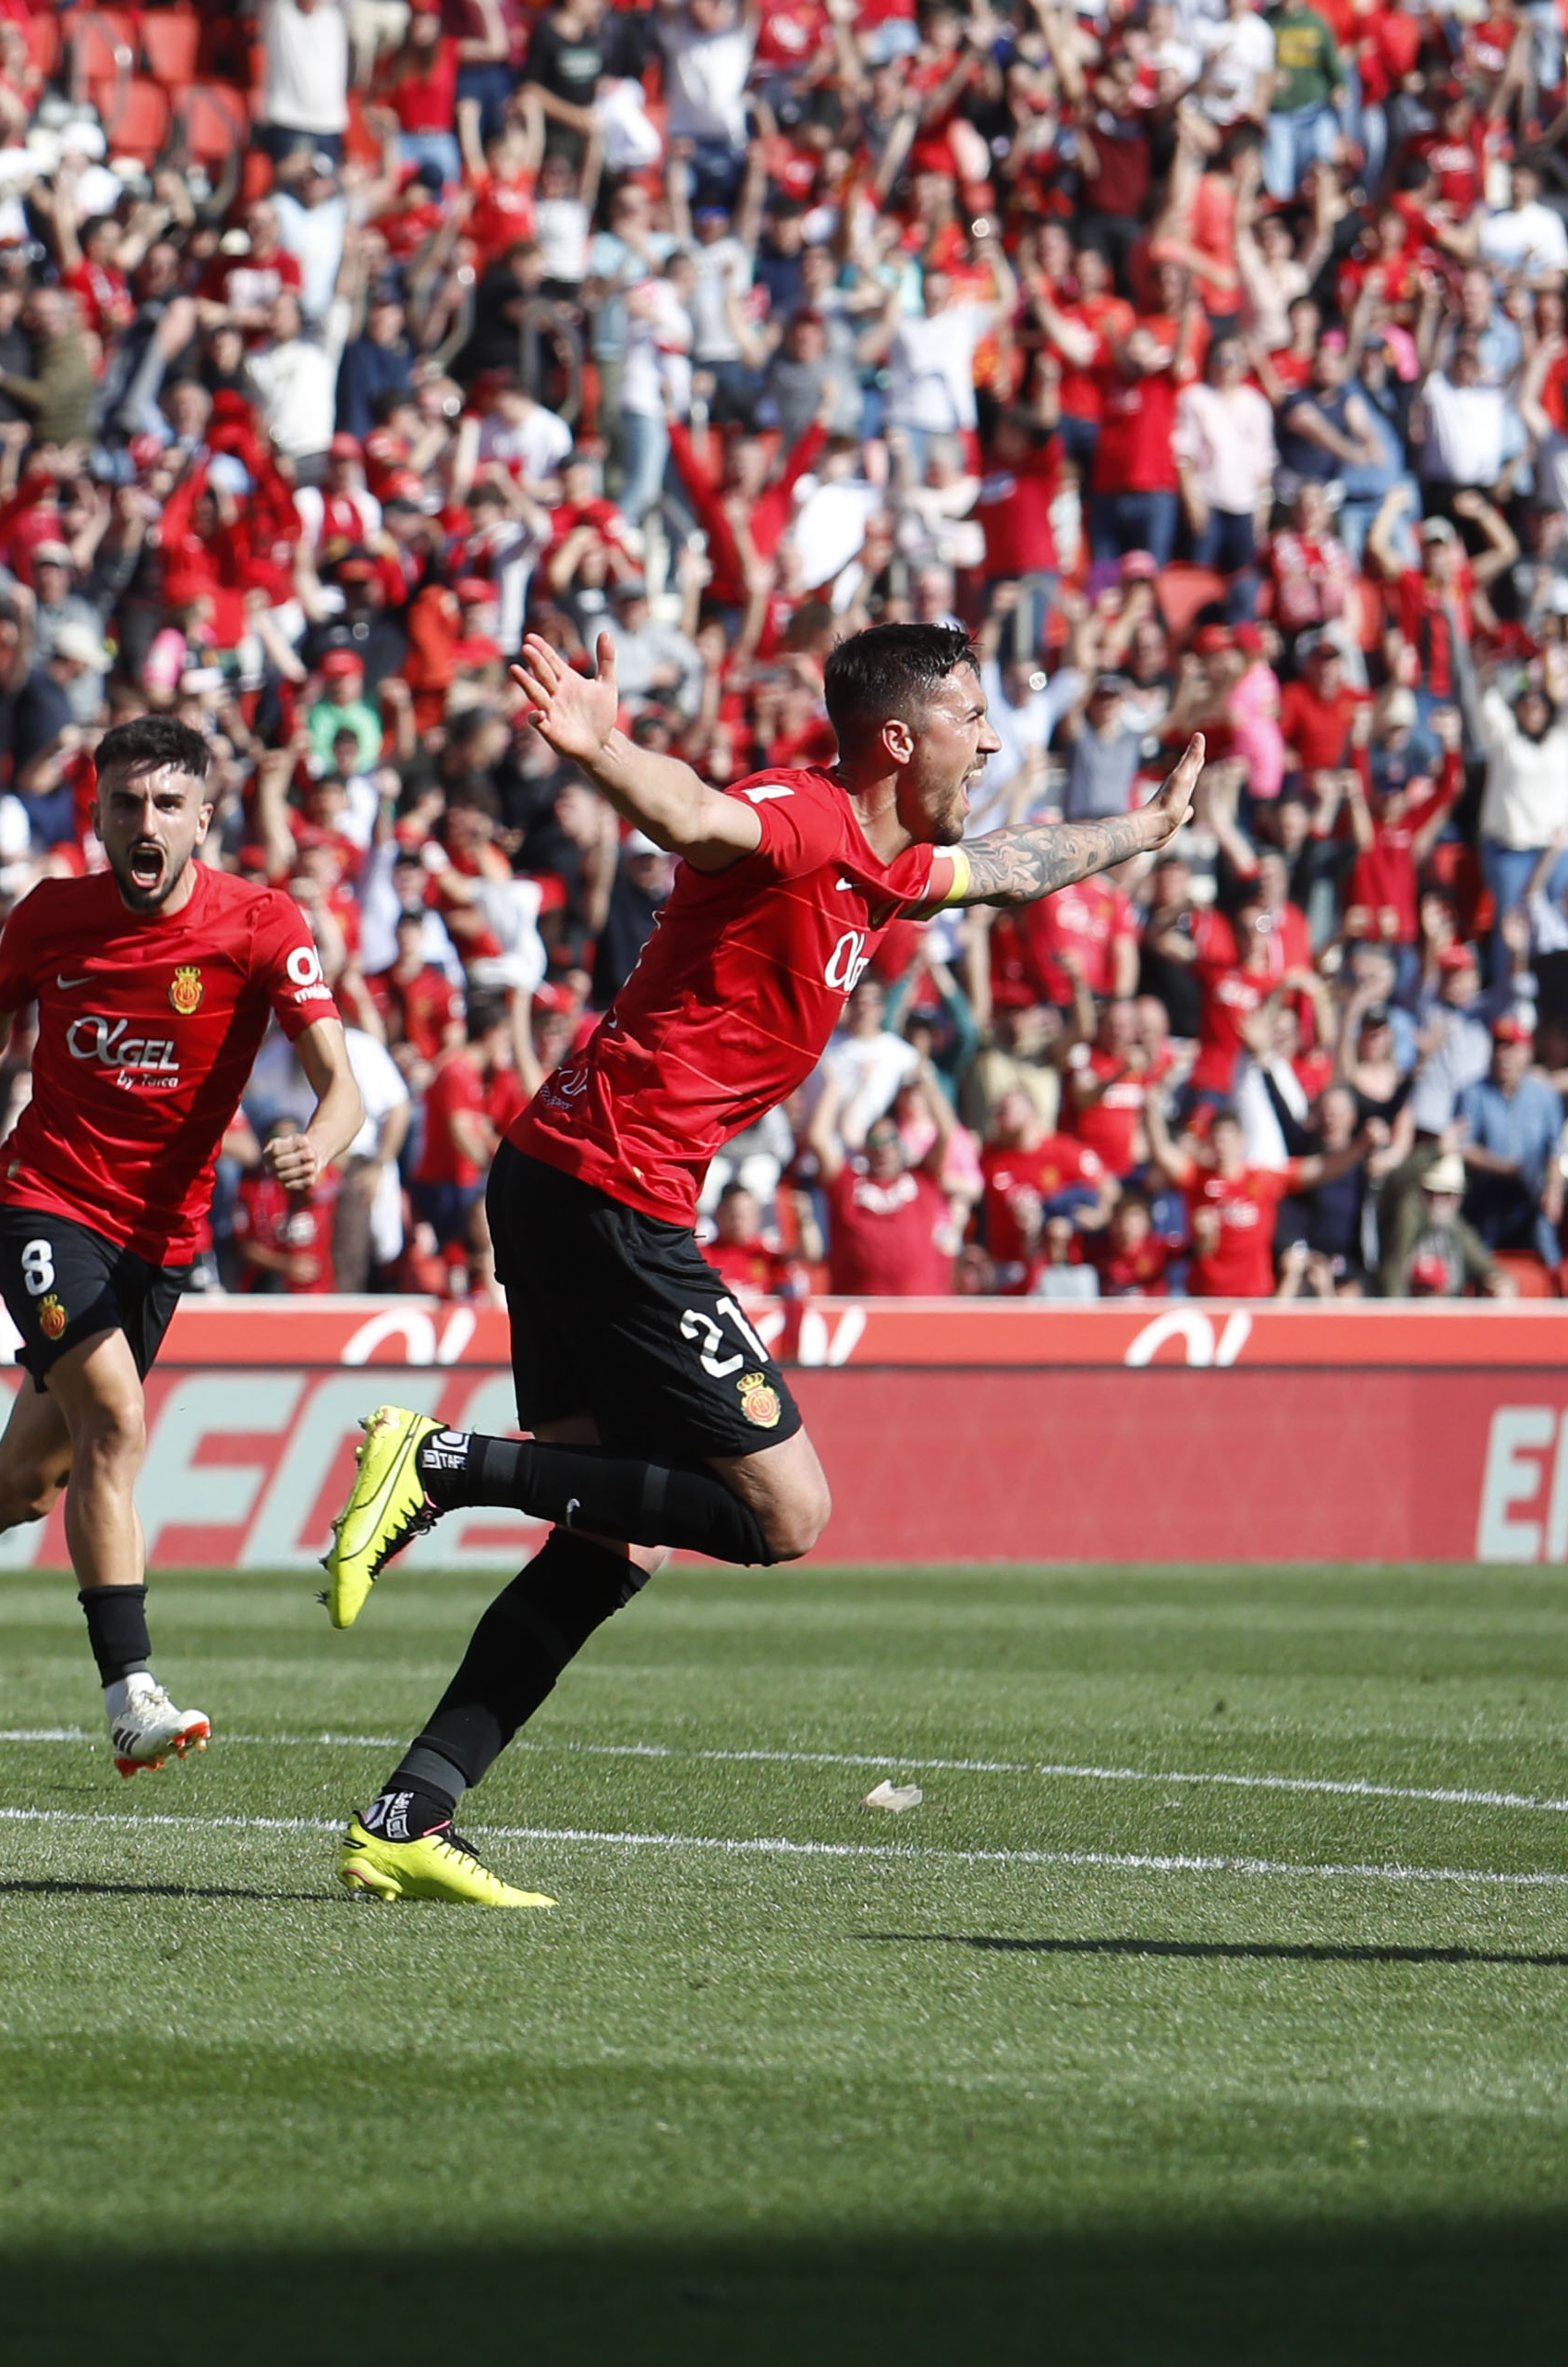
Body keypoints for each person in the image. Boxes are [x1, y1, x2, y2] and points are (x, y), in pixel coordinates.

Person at [315, 625, 1206, 1904]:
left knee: (607, 1539)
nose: (993, 737)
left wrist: (1142, 830)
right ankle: (440, 1460)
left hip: (564, 1175)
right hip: (612, 1192)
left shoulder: (889, 864)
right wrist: (604, 749)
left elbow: (1012, 867)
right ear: (899, 738)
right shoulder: (803, 815)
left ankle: (410, 1808)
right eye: (970, 714)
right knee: (784, 1514)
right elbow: (696, 816)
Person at [0, 715, 367, 1774]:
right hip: (44, 1202)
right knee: (116, 1416)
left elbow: (344, 1085)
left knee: (24, 1483)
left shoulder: (259, 923)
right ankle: (129, 1692)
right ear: (95, 814)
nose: (142, 823)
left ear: (204, 816)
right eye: (123, 804)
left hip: (161, 1240)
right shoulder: (53, 917)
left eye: (164, 804)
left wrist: (316, 1149)